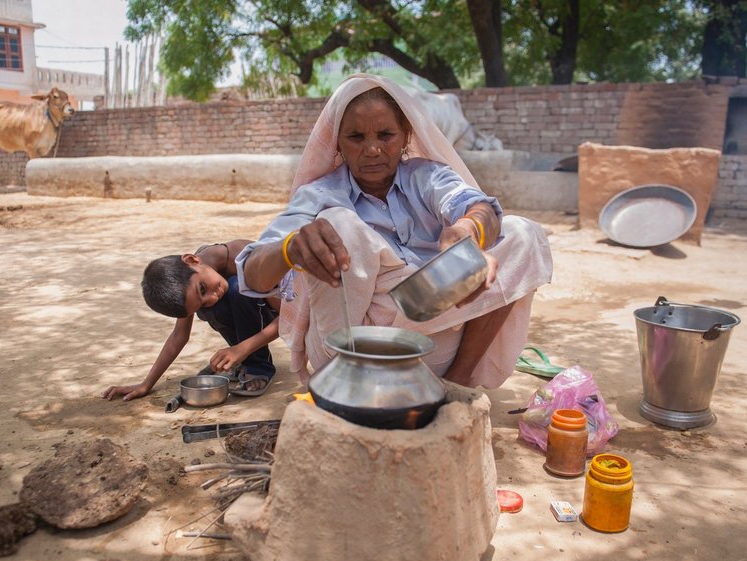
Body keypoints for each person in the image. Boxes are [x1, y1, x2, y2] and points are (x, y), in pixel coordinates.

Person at [236, 74, 553, 389]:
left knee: (522, 232)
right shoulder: (320, 195)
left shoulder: (426, 177)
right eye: (356, 138)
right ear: (338, 144)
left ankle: (458, 385)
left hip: (433, 344)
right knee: (338, 223)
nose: (372, 149)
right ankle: (345, 391)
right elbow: (252, 273)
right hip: (349, 353)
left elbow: (478, 207)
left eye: (385, 135)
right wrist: (290, 248)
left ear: (406, 136)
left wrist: (468, 228)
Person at [102, 239, 280, 401]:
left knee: (235, 288)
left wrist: (241, 349)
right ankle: (243, 361)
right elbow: (179, 335)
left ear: (192, 260)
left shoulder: (247, 259)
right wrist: (146, 384)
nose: (212, 297)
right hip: (261, 315)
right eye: (201, 300)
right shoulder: (192, 279)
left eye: (202, 289)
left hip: (284, 308)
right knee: (214, 306)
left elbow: (290, 317)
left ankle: (258, 367)